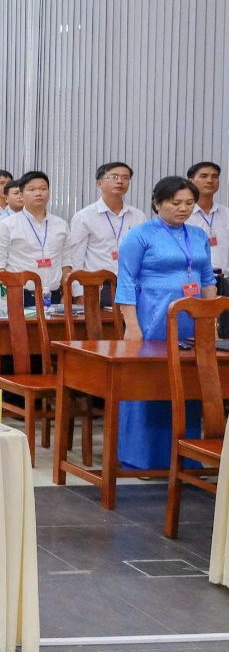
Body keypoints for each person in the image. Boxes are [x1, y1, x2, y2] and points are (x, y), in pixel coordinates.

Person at [115, 176, 218, 470]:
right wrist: (132, 326)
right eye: (175, 203)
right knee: (148, 383)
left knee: (188, 383)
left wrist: (210, 318)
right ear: (157, 203)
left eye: (189, 203)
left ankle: (186, 456)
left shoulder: (198, 235)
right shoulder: (140, 235)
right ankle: (141, 457)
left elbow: (207, 278)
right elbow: (126, 281)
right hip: (153, 317)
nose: (183, 209)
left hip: (190, 320)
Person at [0, 171, 70, 305]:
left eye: (43, 189)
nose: (38, 193)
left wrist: (67, 294)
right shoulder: (7, 225)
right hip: (19, 296)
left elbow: (66, 262)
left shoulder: (61, 225)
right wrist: (7, 299)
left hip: (53, 297)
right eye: (32, 189)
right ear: (21, 195)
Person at [68, 163, 146, 292]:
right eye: (114, 177)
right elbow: (76, 258)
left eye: (125, 178)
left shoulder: (138, 216)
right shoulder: (84, 216)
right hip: (98, 286)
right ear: (99, 183)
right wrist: (78, 293)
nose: (120, 181)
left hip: (130, 285)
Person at [186, 162, 228, 273]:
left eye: (215, 176)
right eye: (204, 176)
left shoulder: (226, 214)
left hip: (224, 279)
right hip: (193, 279)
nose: (210, 181)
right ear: (191, 181)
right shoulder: (183, 215)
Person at [0, 180, 25, 246]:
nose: (20, 196)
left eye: (22, 193)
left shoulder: (34, 221)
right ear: (6, 199)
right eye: (16, 193)